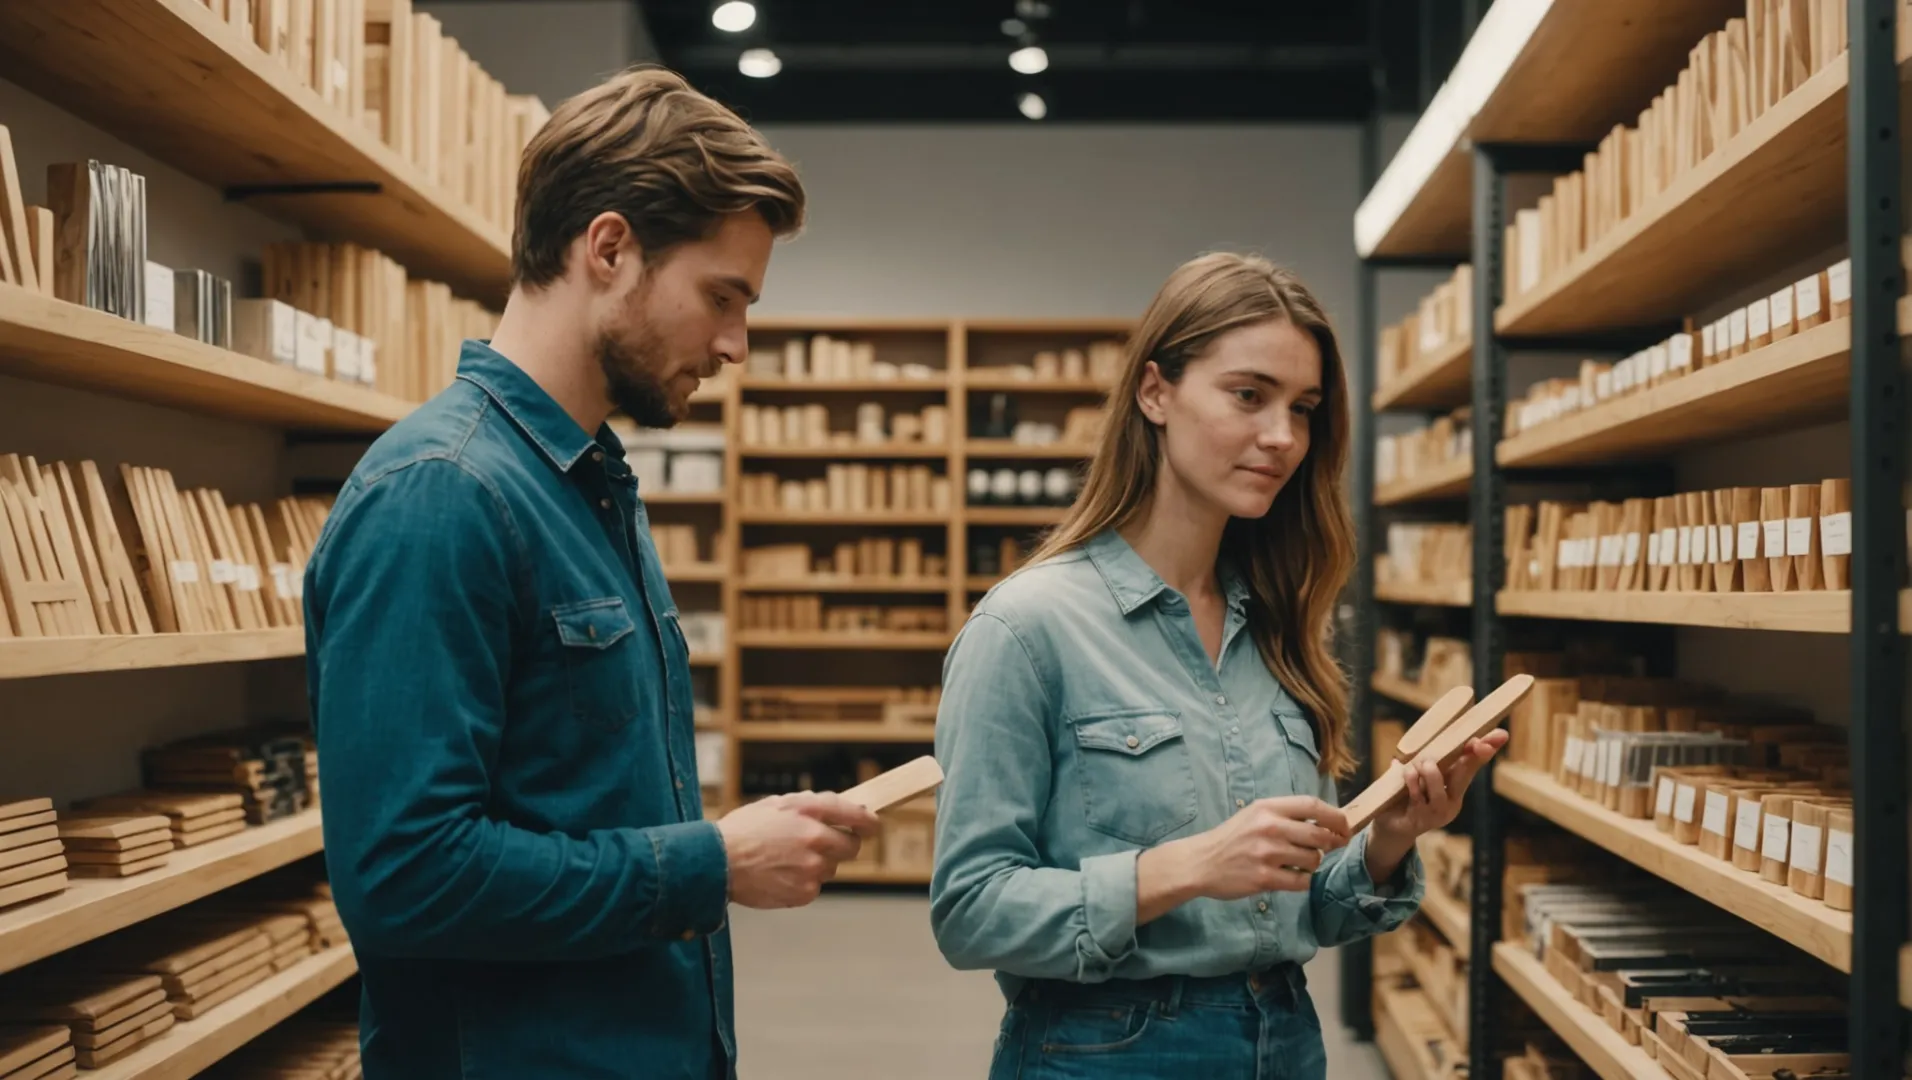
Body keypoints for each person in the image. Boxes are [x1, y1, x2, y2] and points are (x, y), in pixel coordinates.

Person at [304, 66, 880, 1080]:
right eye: (721, 296)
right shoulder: (442, 496)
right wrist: (713, 863)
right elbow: (404, 876)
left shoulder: (588, 485)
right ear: (608, 248)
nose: (736, 344)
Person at [929, 252, 1505, 1078]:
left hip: (1284, 1038)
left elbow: (1301, 907)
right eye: (1248, 395)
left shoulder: (1279, 626)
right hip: (1106, 1050)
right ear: (1155, 392)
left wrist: (1390, 840)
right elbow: (970, 912)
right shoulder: (1027, 628)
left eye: (1303, 408)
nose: (1282, 436)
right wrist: (1190, 866)